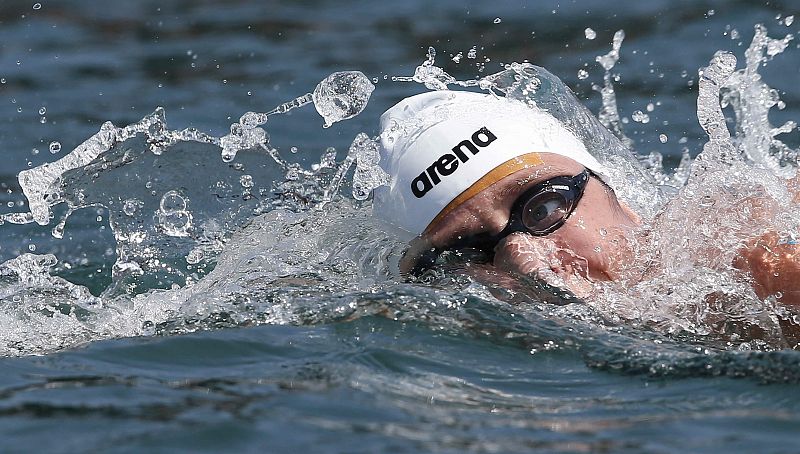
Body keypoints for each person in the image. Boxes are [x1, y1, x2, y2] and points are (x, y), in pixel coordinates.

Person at [372, 89, 800, 306]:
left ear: (617, 194)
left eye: (544, 207)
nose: (526, 262)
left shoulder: (749, 261)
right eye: (467, 251)